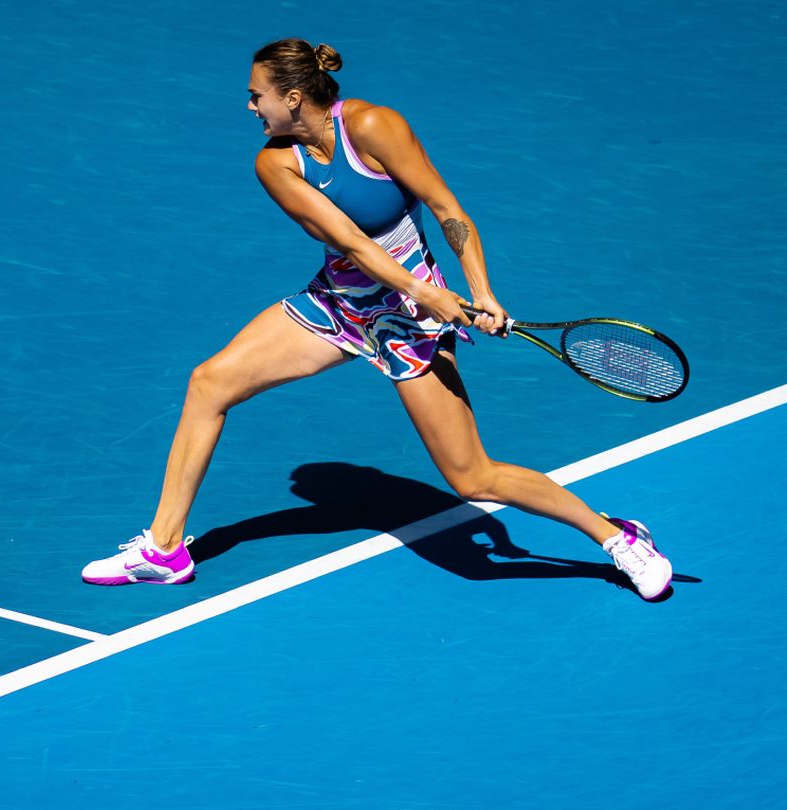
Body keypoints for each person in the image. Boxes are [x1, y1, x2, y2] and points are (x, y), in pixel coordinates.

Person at [81, 38, 672, 600]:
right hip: (339, 305)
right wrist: (424, 289)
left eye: (256, 94)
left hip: (411, 323)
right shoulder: (275, 164)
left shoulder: (372, 126)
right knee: (209, 382)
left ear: (291, 97)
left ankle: (618, 537)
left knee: (472, 479)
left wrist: (480, 293)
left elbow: (448, 211)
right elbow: (353, 245)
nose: (249, 105)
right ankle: (164, 550)